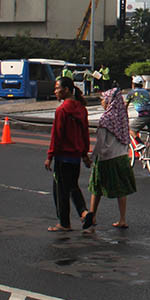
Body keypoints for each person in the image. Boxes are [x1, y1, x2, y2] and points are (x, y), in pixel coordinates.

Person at [85, 86, 137, 230]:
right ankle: (122, 219)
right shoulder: (122, 117)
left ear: (109, 101)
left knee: (96, 188)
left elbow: (100, 143)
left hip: (106, 158)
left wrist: (91, 157)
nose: (102, 101)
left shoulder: (105, 119)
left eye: (103, 99)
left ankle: (92, 216)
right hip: (122, 157)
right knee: (121, 190)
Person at [45, 76, 92, 232]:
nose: (55, 91)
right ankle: (84, 212)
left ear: (66, 90)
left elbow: (57, 135)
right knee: (72, 186)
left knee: (60, 190)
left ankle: (64, 223)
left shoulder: (62, 110)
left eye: (57, 88)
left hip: (63, 156)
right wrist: (84, 154)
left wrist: (50, 156)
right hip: (75, 157)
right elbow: (85, 134)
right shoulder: (81, 109)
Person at [126, 76, 150, 143]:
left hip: (144, 115)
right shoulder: (146, 92)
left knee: (131, 129)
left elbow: (125, 106)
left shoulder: (131, 93)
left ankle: (140, 144)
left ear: (133, 84)